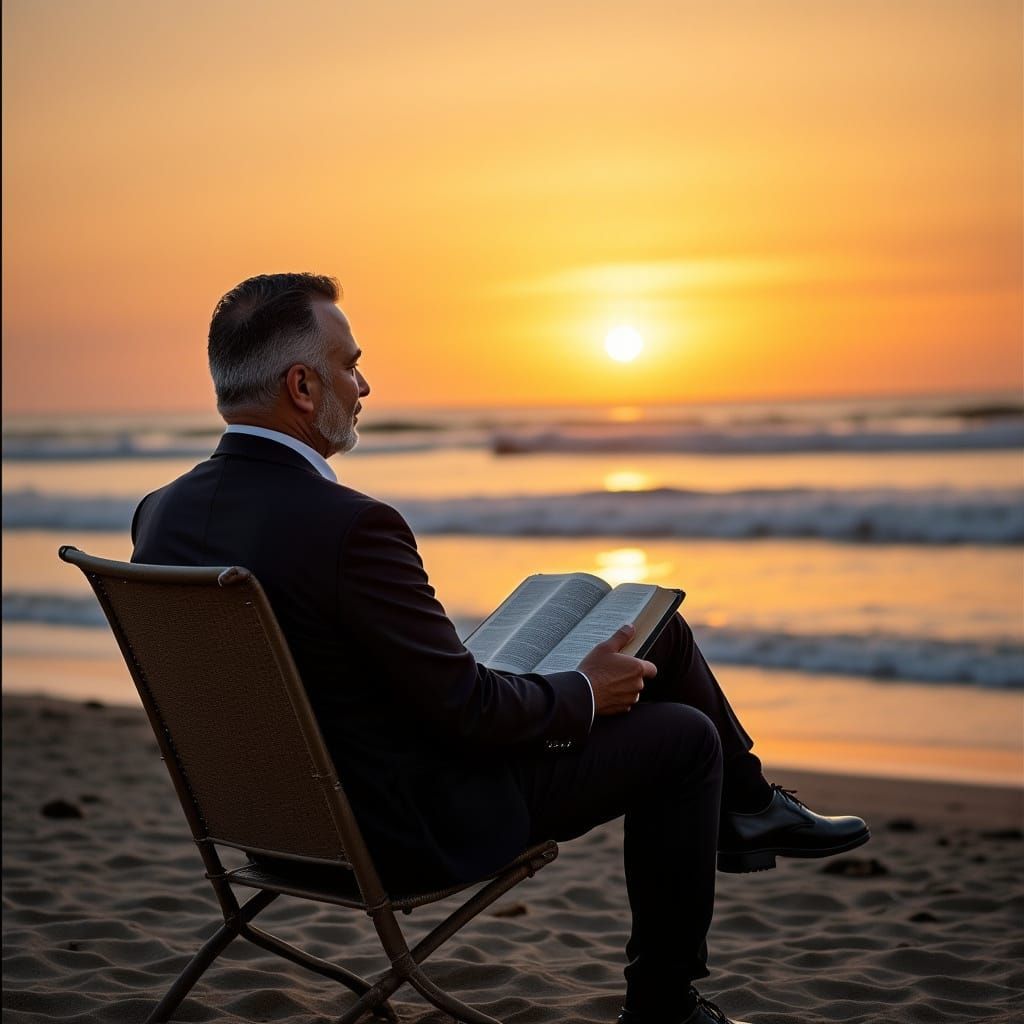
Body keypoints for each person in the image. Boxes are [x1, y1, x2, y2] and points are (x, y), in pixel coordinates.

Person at [131, 273, 869, 1024]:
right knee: (683, 738)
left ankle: (749, 807)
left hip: (271, 831)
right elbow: (469, 714)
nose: (364, 385)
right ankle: (666, 1001)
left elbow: (337, 671)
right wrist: (584, 692)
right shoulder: (352, 527)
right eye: (350, 364)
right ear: (300, 385)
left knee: (655, 629)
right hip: (401, 830)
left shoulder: (162, 515)